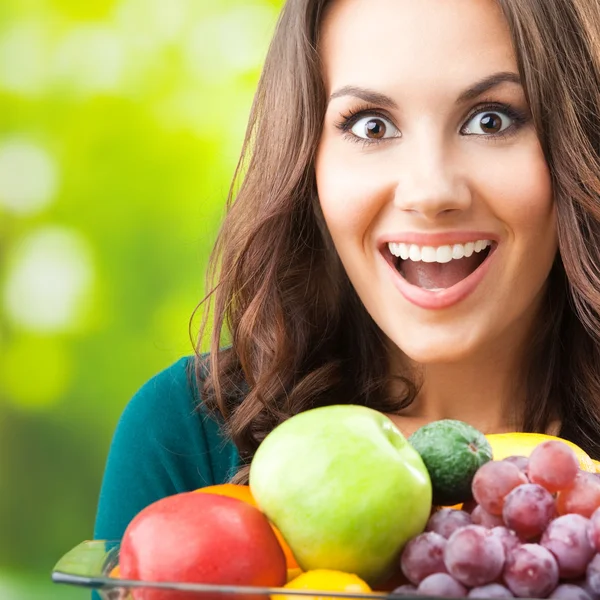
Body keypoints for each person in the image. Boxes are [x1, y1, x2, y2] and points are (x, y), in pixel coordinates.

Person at [94, 0, 600, 543]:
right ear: (308, 162)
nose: (430, 192)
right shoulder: (183, 432)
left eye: (490, 120)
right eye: (373, 125)